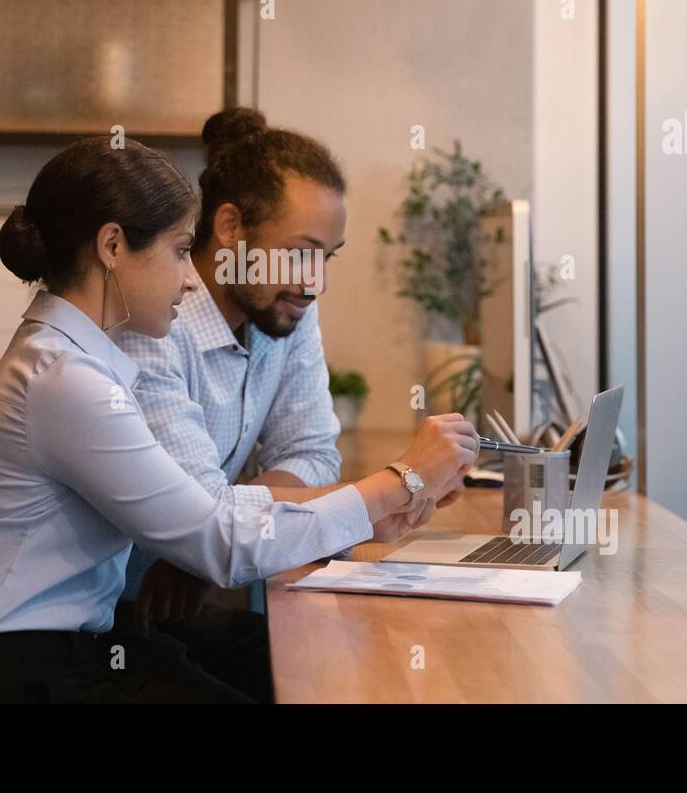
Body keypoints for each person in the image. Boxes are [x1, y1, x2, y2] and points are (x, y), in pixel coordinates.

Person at [0, 135, 477, 703]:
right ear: (112, 247)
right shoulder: (65, 379)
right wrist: (400, 480)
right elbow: (221, 541)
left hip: (59, 649)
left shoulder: (76, 359)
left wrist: (374, 507)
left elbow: (212, 526)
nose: (187, 277)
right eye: (180, 251)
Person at [116, 108, 463, 701]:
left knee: (346, 663)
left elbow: (309, 452)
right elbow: (206, 517)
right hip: (111, 621)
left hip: (188, 595)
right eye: (302, 252)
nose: (315, 283)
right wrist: (207, 537)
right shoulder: (152, 327)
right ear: (229, 227)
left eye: (327, 256)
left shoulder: (283, 309)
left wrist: (206, 543)